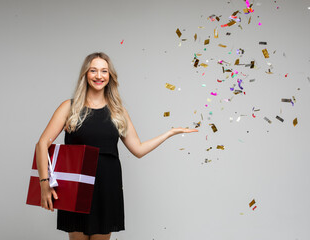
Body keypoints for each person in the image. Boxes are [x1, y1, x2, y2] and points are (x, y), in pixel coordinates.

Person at [35, 52, 198, 240]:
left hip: (107, 187)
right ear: (85, 75)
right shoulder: (69, 107)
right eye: (93, 70)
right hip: (76, 187)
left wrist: (169, 133)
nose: (99, 76)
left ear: (110, 76)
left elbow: (138, 149)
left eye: (104, 71)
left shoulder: (117, 111)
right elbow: (42, 144)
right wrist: (44, 184)